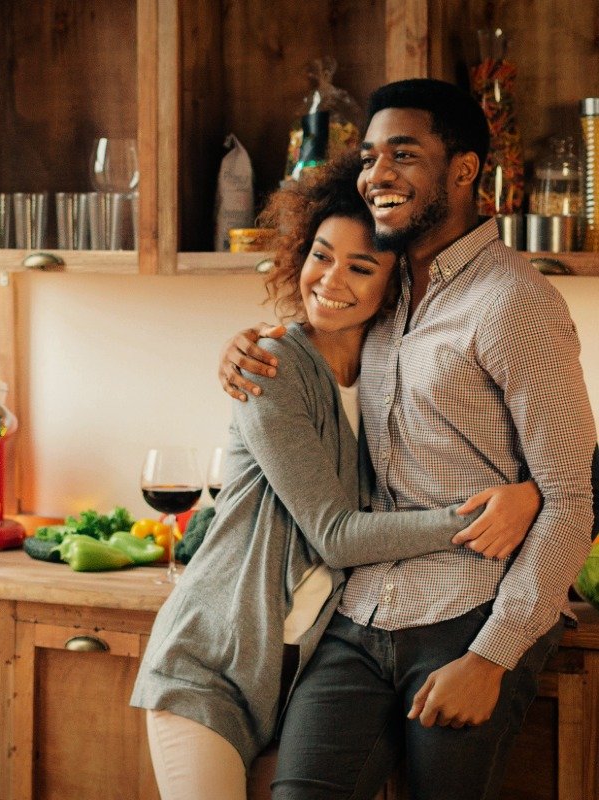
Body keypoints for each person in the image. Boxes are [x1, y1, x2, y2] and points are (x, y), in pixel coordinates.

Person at [218, 79, 597, 800]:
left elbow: (573, 499)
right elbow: (315, 332)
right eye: (368, 157)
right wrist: (245, 347)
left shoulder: (515, 303)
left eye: (404, 154)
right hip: (359, 615)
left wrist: (491, 658)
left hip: (470, 615)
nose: (377, 174)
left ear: (464, 170)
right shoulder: (387, 295)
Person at [131, 153, 542, 800]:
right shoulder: (272, 365)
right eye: (321, 256)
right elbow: (337, 536)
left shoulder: (388, 370)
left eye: (361, 266)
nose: (330, 279)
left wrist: (534, 491)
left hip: (294, 677)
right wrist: (485, 518)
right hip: (212, 666)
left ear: (395, 282)